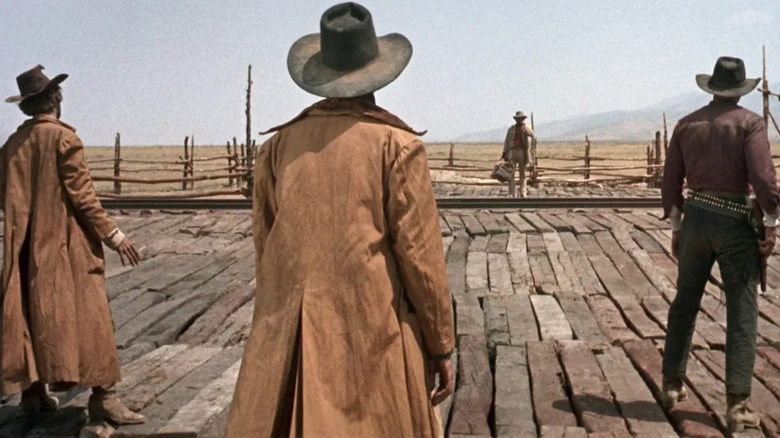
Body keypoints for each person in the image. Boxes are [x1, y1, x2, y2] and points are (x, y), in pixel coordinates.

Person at [225, 3, 455, 437]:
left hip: (291, 326)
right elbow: (421, 258)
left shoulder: (278, 146)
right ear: (378, 76)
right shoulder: (398, 145)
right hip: (371, 325)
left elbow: (266, 246)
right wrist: (440, 344)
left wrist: (274, 323)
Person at [1, 65, 145, 425]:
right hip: (67, 249)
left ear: (26, 106)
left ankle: (33, 395)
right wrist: (115, 236)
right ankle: (104, 398)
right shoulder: (65, 139)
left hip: (25, 250)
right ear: (56, 100)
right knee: (89, 316)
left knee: (30, 311)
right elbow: (83, 198)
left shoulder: (13, 145)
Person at [661, 56, 778, 433]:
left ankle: (671, 385)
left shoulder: (686, 124)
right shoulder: (750, 123)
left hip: (695, 221)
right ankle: (737, 405)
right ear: (740, 90)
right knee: (742, 309)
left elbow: (670, 183)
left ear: (712, 88)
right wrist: (771, 222)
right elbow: (764, 180)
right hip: (735, 224)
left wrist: (677, 228)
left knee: (684, 302)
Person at [501, 111, 535, 197]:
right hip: (512, 151)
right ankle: (512, 192)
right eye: (518, 119)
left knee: (522, 173)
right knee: (511, 173)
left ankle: (523, 191)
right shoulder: (511, 129)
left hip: (522, 152)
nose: (519, 120)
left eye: (521, 119)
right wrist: (504, 153)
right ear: (516, 119)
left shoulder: (525, 128)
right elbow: (506, 141)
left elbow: (532, 134)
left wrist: (525, 128)